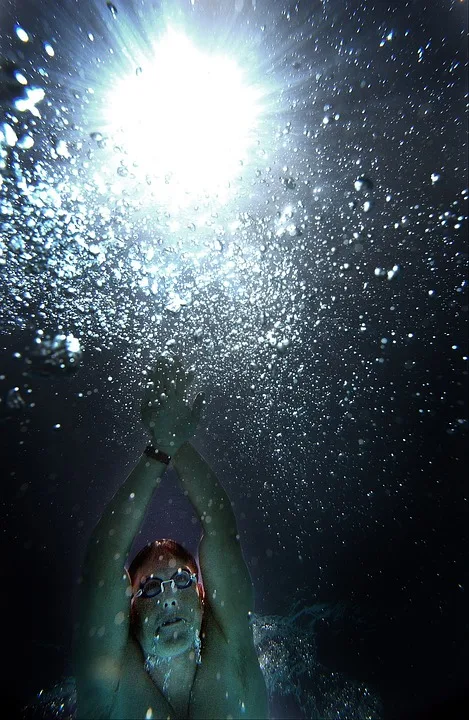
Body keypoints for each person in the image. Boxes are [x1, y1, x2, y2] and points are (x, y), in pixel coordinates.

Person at [73, 354, 268, 719]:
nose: (169, 598)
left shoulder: (234, 657)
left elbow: (222, 530)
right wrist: (160, 449)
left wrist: (172, 443)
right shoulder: (110, 686)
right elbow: (104, 560)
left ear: (201, 593)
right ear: (130, 609)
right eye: (149, 587)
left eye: (181, 579)